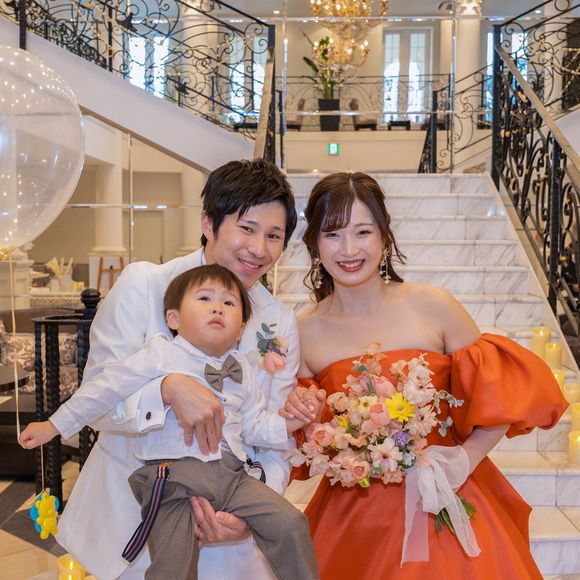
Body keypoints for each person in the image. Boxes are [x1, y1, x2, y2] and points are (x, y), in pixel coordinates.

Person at [282, 172, 568, 579]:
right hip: (355, 517)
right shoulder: (304, 331)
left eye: (363, 231)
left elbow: (500, 394)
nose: (348, 249)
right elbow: (305, 439)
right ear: (314, 243)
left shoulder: (434, 306)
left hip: (446, 494)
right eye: (332, 234)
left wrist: (464, 459)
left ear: (384, 236)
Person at [40, 159, 306, 580]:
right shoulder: (144, 286)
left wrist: (250, 513)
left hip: (232, 532)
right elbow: (97, 402)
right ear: (208, 222)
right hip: (133, 525)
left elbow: (273, 440)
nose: (259, 249)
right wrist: (165, 390)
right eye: (247, 228)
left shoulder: (278, 321)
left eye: (274, 236)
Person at [21, 265, 320, 580]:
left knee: (290, 523)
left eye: (229, 303)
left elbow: (254, 425)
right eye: (205, 298)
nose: (218, 307)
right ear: (173, 318)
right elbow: (104, 389)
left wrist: (290, 423)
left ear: (240, 329)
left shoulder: (241, 369)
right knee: (172, 566)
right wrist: (53, 425)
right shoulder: (161, 353)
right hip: (174, 479)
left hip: (233, 477)